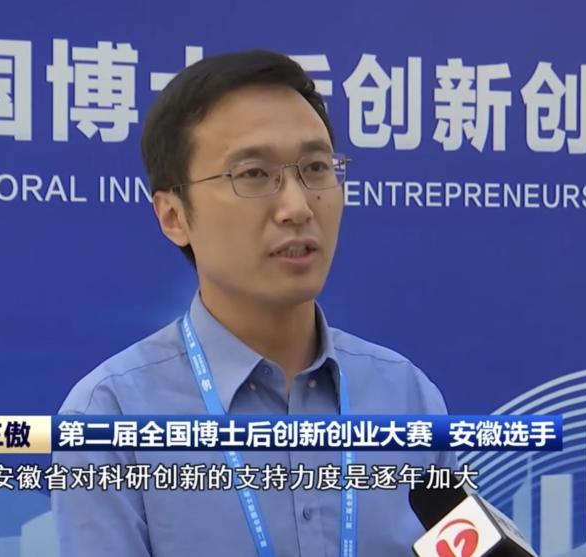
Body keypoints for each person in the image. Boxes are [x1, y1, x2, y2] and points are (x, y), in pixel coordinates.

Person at [52, 49, 456, 557]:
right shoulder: (109, 420)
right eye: (254, 175)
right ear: (173, 215)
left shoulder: (407, 397)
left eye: (316, 168)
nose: (297, 207)